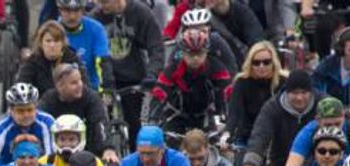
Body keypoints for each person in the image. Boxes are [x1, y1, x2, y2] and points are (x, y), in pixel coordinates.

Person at [93, 0, 165, 152]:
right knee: (101, 125)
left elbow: (156, 46)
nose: (102, 6)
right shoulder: (96, 17)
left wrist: (152, 73)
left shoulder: (140, 13)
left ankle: (137, 157)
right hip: (105, 80)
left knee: (134, 126)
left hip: (133, 78)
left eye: (105, 2)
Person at [147, 29, 230, 135]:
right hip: (176, 114)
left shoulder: (216, 66)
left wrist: (228, 120)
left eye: (199, 53)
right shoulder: (172, 68)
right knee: (168, 144)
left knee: (217, 143)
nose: (195, 58)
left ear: (206, 52)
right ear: (183, 53)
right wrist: (153, 121)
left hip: (205, 115)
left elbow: (227, 93)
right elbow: (159, 94)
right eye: (191, 53)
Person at [36, 64, 111, 158]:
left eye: (80, 80)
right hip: (56, 154)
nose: (80, 85)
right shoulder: (48, 100)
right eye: (74, 83)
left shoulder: (91, 97)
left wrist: (107, 148)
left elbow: (100, 123)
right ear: (60, 86)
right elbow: (38, 123)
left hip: (88, 153)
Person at [227, 41, 287, 151]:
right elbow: (234, 113)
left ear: (273, 62)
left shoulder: (284, 81)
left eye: (266, 62)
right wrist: (227, 135)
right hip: (247, 138)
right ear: (250, 64)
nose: (261, 66)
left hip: (276, 138)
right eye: (256, 63)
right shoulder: (242, 82)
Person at [54, 0, 114, 92]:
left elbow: (102, 62)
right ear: (60, 10)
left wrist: (106, 90)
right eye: (67, 11)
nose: (72, 16)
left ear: (83, 10)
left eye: (76, 11)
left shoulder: (96, 29)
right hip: (59, 91)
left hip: (91, 89)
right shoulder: (51, 30)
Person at [14, 21, 83, 99]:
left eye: (56, 41)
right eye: (48, 41)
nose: (52, 45)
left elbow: (85, 88)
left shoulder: (72, 59)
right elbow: (22, 89)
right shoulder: (32, 62)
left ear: (63, 43)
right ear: (41, 43)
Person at [42, 114, 116, 166]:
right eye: (62, 139)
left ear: (81, 140)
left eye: (72, 139)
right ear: (55, 140)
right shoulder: (45, 162)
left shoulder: (94, 162)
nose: (67, 144)